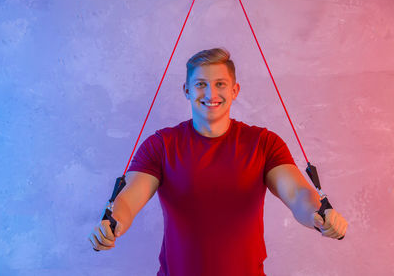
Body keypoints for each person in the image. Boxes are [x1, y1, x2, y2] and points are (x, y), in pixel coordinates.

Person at [88, 48, 348, 275]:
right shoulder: (161, 145)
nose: (211, 92)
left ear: (235, 90)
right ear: (187, 90)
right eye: (200, 84)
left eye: (220, 84)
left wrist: (320, 215)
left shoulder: (264, 142)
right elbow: (130, 197)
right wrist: (113, 223)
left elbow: (297, 192)